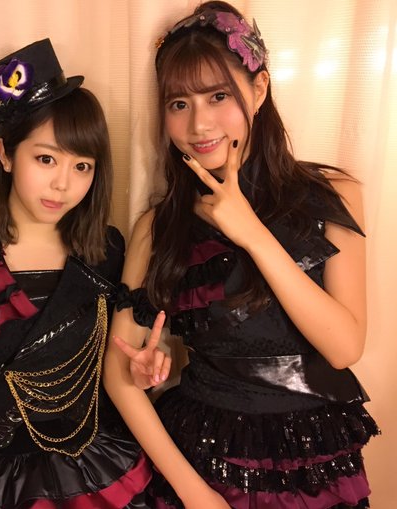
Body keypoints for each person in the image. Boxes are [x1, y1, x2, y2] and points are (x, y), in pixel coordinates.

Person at [104, 2, 379, 508]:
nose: (199, 124)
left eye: (218, 96)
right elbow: (119, 376)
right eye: (179, 103)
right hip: (202, 457)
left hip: (316, 462)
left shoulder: (333, 196)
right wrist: (195, 495)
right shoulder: (157, 227)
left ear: (259, 89)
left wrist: (252, 233)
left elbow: (344, 347)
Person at [0, 39, 151, 508]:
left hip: (100, 468)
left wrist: (144, 370)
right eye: (46, 159)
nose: (63, 183)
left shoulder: (107, 252)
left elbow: (116, 368)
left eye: (82, 166)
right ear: (5, 155)